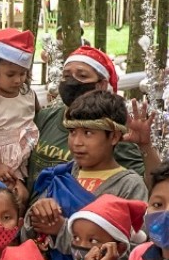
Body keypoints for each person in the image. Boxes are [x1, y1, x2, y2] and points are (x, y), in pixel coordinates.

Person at [27, 90, 148, 260]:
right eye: (72, 132)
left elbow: (134, 254)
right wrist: (38, 214)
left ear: (114, 137)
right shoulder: (61, 174)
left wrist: (62, 230)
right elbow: (28, 234)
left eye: (88, 133)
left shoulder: (129, 186)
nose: (77, 142)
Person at [29, 46, 154, 183]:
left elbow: (150, 185)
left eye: (82, 76)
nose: (72, 82)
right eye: (66, 76)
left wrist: (145, 146)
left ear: (101, 85)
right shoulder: (45, 117)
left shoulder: (111, 129)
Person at [0, 28, 40, 185]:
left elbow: (40, 118)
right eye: (10, 75)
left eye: (23, 73)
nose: (18, 80)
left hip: (27, 161)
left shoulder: (28, 94)